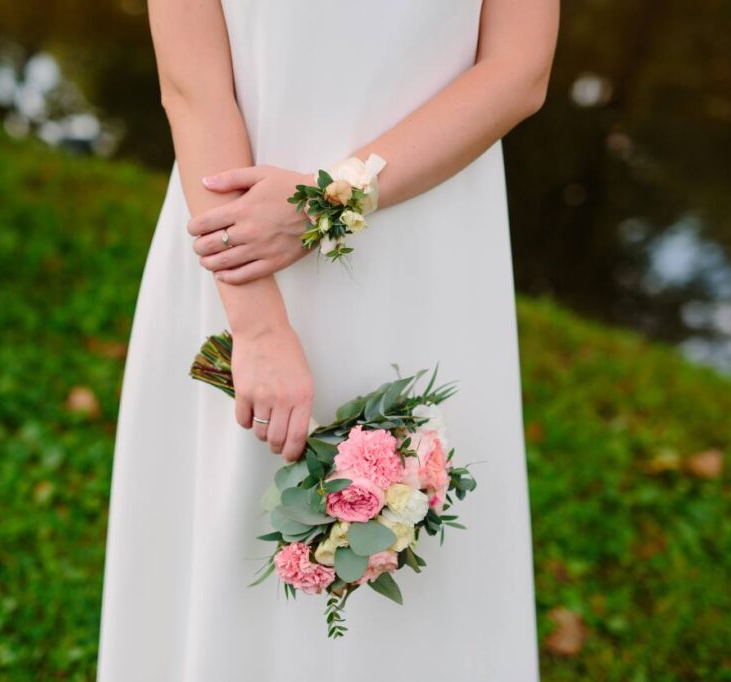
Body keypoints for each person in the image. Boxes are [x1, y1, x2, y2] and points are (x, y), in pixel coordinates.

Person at [98, 1, 559, 679]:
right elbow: (195, 87)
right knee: (231, 534)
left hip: (429, 252)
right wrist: (255, 323)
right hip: (240, 243)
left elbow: (518, 69)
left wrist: (329, 201)